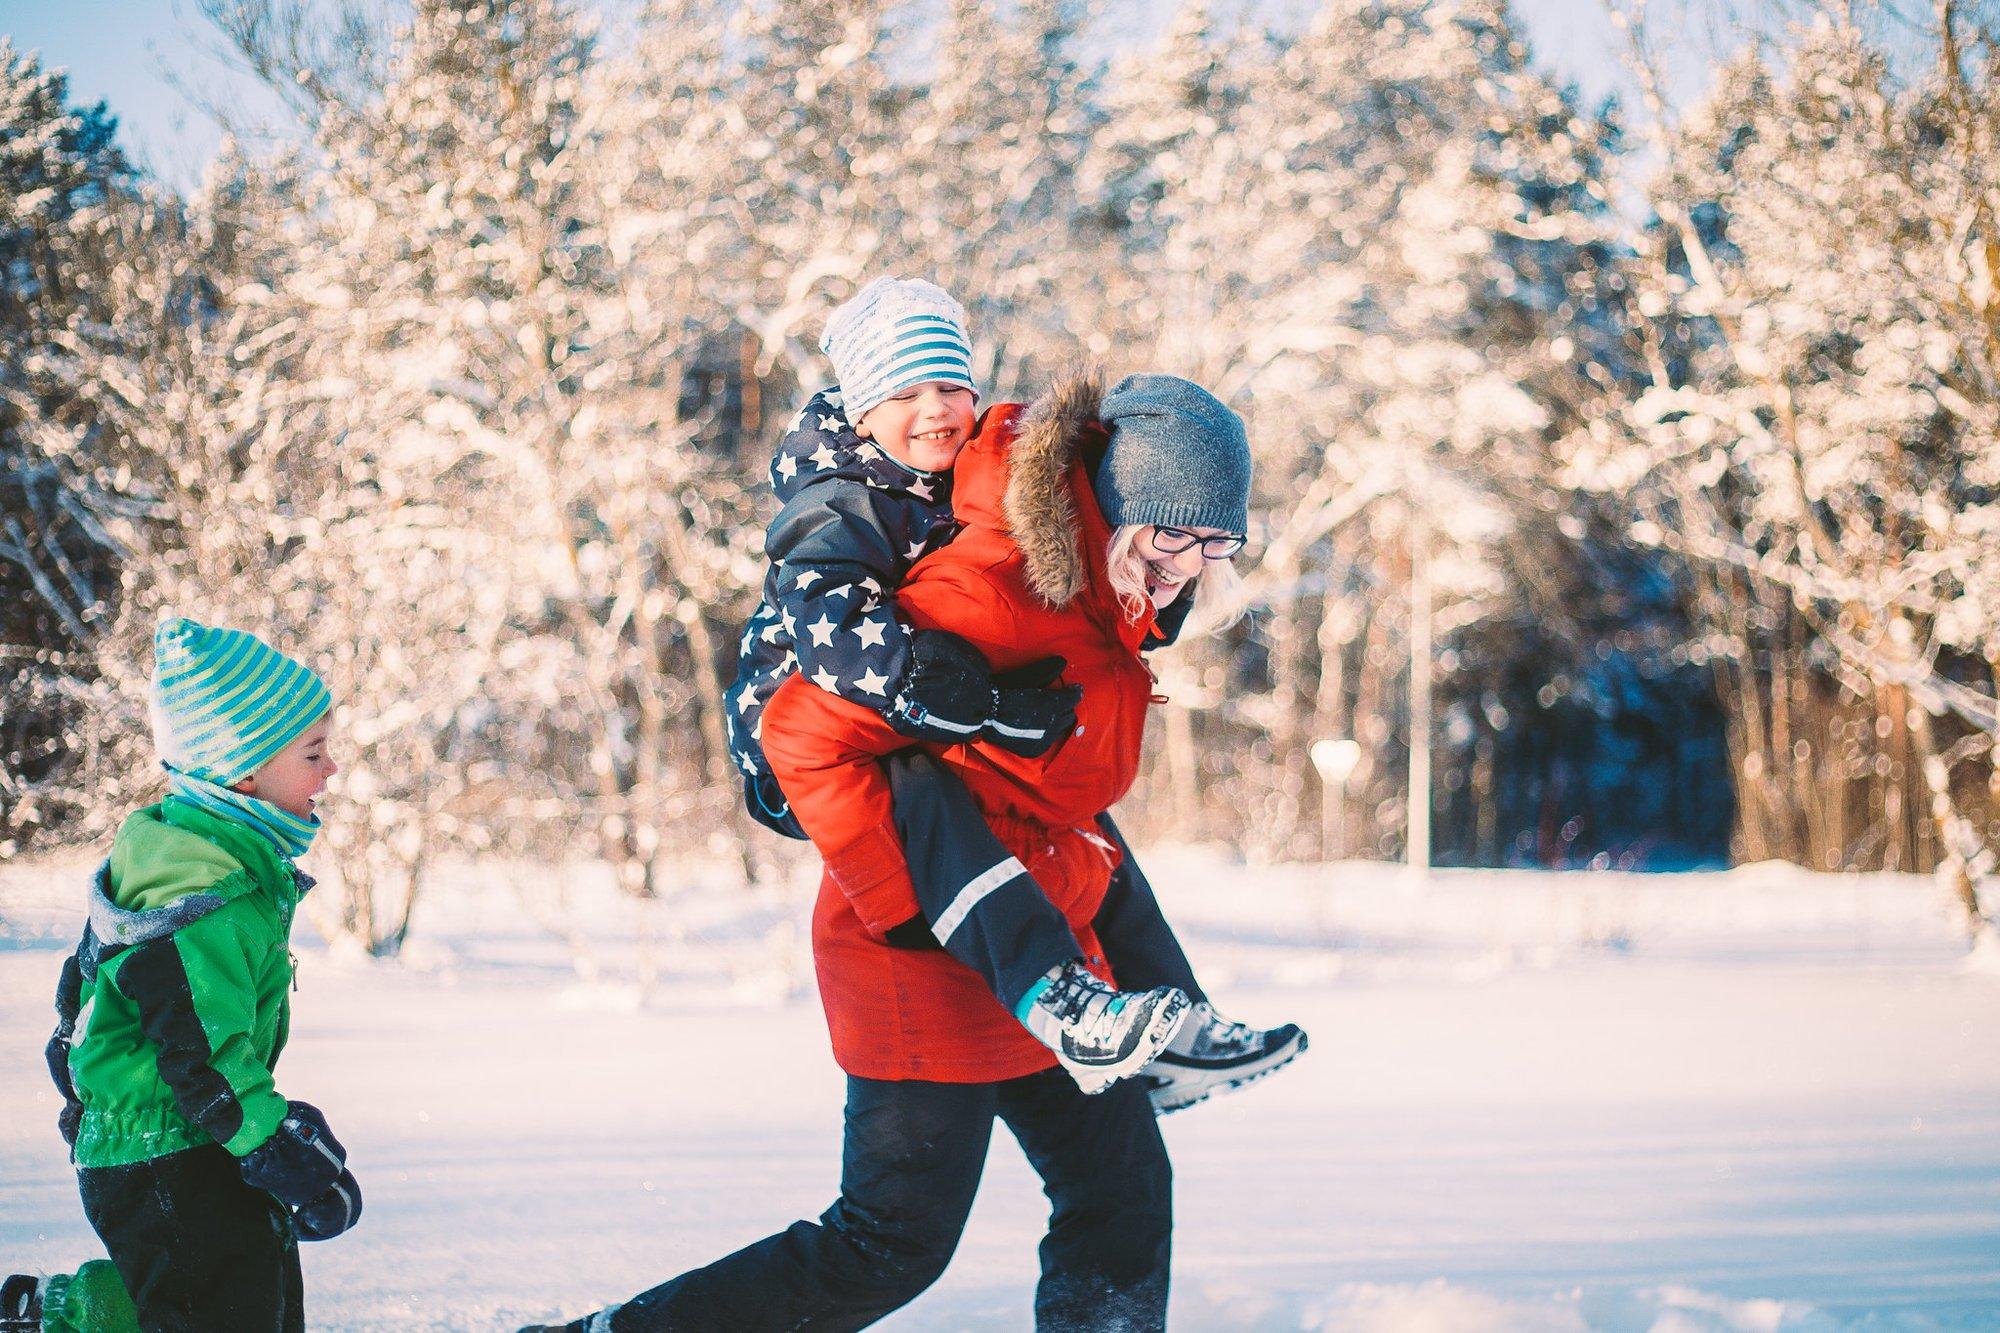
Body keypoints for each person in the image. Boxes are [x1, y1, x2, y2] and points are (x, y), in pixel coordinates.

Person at [528, 368, 1272, 1332]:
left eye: (1219, 540)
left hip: (1044, 958)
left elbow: (1050, 792)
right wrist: (902, 908)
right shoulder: (992, 588)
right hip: (927, 961)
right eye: (1177, 532)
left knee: (1122, 1194)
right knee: (889, 1244)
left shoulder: (1106, 597)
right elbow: (799, 732)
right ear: (1120, 509)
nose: (1194, 560)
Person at [727, 276, 1304, 1102]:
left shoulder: (944, 476)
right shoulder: (839, 501)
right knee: (927, 788)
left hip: (894, 702)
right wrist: (965, 698)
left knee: (1081, 819)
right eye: (907, 391)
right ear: (861, 413)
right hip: (794, 729)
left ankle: (1180, 1023)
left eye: (952, 386)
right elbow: (831, 631)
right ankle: (1053, 992)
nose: (937, 408)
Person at [4, 619, 362, 1333]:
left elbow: (83, 987)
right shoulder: (205, 891)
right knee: (223, 1316)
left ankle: (50, 1313)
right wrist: (273, 1144)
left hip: (177, 1136)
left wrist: (84, 1089)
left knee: (249, 1303)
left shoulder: (181, 851)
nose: (330, 771)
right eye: (313, 752)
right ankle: (62, 1317)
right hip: (166, 1147)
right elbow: (200, 1054)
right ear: (245, 770)